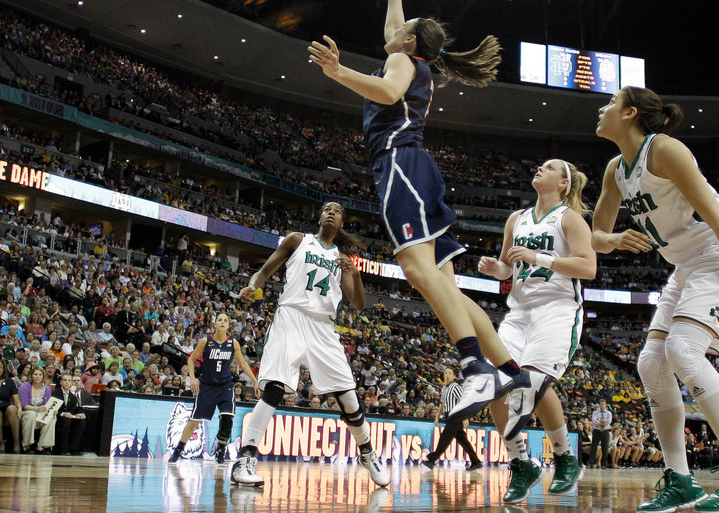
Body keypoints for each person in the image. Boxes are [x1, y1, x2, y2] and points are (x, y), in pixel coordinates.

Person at [308, 0, 527, 421]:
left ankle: (476, 369)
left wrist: (338, 71)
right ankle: (511, 370)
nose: (393, 32)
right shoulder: (412, 57)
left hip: (400, 165)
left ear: (409, 41)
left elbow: (389, 92)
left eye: (402, 29)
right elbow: (395, 33)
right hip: (418, 166)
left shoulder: (403, 63)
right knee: (446, 286)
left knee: (415, 268)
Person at [591, 86, 719, 513]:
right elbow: (596, 236)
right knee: (651, 362)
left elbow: (716, 216)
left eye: (610, 103)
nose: (601, 109)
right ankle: (681, 481)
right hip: (686, 265)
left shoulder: (664, 150)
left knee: (682, 349)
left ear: (630, 113)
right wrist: (614, 238)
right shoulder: (615, 170)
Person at [233, 202, 389, 488]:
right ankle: (245, 459)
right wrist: (253, 285)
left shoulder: (342, 259)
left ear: (341, 223)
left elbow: (359, 304)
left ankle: (367, 454)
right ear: (319, 216)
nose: (331, 212)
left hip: (323, 326)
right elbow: (264, 272)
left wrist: (355, 274)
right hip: (291, 315)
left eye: (337, 211)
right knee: (275, 388)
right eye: (327, 209)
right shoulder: (298, 240)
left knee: (349, 398)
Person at [477, 158, 594, 502]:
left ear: (564, 183)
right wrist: (496, 268)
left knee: (532, 380)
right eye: (540, 166)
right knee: (494, 385)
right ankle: (521, 463)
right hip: (519, 311)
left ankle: (564, 457)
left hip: (556, 307)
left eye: (550, 167)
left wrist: (537, 257)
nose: (540, 169)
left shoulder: (570, 219)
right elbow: (507, 266)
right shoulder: (517, 218)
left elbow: (588, 268)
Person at [168, 312, 259, 464]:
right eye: (220, 320)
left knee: (227, 419)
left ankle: (220, 451)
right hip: (207, 386)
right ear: (215, 324)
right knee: (194, 421)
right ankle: (178, 450)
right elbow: (191, 360)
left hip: (225, 386)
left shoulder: (233, 343)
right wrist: (193, 378)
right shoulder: (206, 341)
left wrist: (255, 381)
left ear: (228, 325)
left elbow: (243, 364)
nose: (222, 322)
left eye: (225, 320)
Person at [421, 368, 483, 471]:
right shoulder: (444, 388)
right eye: (446, 373)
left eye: (450, 373)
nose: (447, 375)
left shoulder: (455, 386)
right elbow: (442, 404)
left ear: (454, 376)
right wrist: (437, 417)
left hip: (456, 416)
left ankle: (432, 460)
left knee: (444, 438)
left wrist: (465, 417)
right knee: (463, 441)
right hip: (449, 416)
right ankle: (476, 461)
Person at [18, 366, 54, 453]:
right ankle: (26, 445)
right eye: (35, 374)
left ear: (43, 376)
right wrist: (36, 409)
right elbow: (24, 405)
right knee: (31, 414)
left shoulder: (47, 389)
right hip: (26, 412)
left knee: (52, 417)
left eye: (40, 374)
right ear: (31, 376)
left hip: (40, 414)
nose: (37, 376)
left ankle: (41, 446)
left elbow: (47, 405)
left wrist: (53, 410)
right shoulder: (24, 386)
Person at [52, 372, 87, 455]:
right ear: (61, 382)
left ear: (72, 383)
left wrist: (79, 414)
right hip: (57, 417)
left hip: (68, 417)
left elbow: (73, 410)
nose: (67, 382)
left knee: (82, 422)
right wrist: (63, 414)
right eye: (65, 380)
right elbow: (52, 409)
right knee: (66, 420)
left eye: (69, 380)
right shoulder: (54, 393)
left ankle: (73, 449)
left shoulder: (73, 397)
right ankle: (63, 449)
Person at [0, 362, 22, 453]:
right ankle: (1, 442)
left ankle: (16, 442)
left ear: (3, 369)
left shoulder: (9, 381)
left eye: (0, 367)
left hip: (6, 411)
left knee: (13, 408)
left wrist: (19, 408)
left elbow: (16, 400)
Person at [589, 399, 614, 469]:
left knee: (605, 448)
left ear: (606, 405)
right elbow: (594, 420)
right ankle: (591, 463)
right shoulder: (595, 412)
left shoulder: (609, 413)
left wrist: (602, 421)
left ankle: (604, 464)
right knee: (594, 447)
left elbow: (609, 421)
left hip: (605, 430)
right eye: (601, 404)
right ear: (599, 405)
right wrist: (600, 422)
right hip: (597, 430)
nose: (602, 406)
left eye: (603, 404)